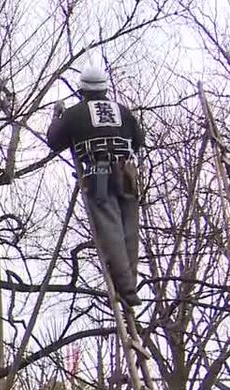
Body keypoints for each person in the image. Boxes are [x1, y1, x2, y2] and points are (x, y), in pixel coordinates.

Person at [46, 65, 146, 307]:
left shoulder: (75, 114)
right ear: (105, 89)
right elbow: (139, 140)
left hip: (98, 173)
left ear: (82, 90)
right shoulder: (122, 111)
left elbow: (54, 142)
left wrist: (56, 117)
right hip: (126, 172)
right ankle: (130, 283)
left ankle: (126, 288)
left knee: (110, 228)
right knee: (130, 230)